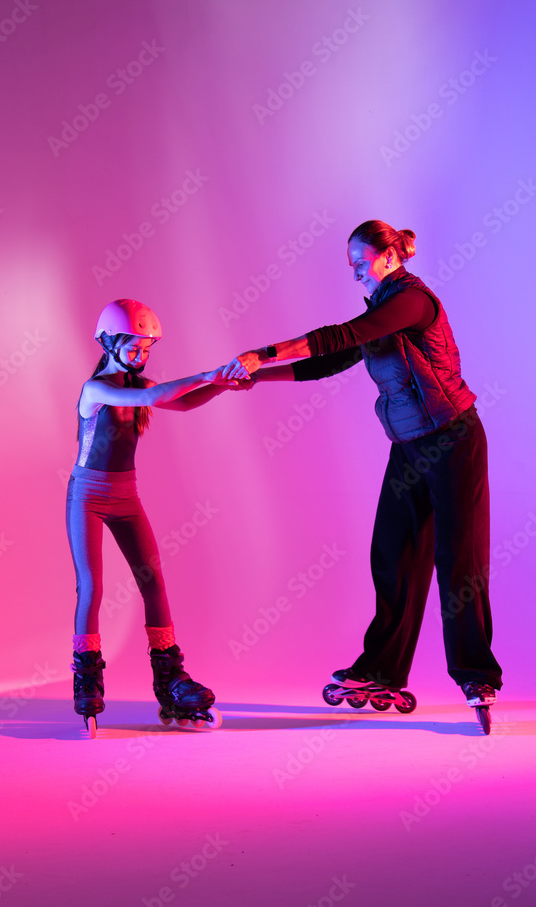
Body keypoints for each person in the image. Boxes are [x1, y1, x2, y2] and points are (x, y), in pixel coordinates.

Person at [224, 220, 502, 721]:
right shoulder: (380, 311)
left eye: (360, 261)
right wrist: (261, 377)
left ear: (390, 256)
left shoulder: (413, 302)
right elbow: (331, 360)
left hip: (454, 439)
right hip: (410, 448)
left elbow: (342, 335)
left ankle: (477, 675)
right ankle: (382, 670)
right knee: (393, 558)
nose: (353, 272)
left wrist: (261, 352)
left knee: (458, 559)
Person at [66, 298, 239, 735]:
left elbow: (179, 403)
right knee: (92, 585)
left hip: (126, 494)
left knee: (153, 580)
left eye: (148, 349)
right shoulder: (97, 390)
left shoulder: (138, 384)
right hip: (86, 495)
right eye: (135, 347)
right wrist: (204, 374)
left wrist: (222, 384)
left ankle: (170, 680)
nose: (143, 356)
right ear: (109, 343)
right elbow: (153, 395)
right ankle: (87, 676)